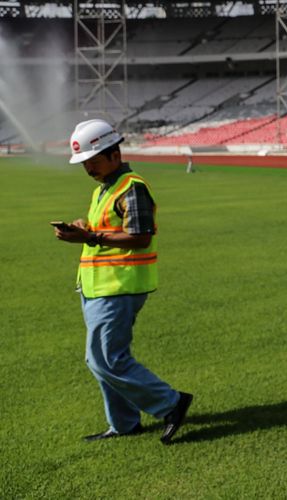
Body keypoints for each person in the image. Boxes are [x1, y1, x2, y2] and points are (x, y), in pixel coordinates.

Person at [53, 119, 193, 445]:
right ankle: (124, 423)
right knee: (101, 359)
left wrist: (90, 236)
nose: (88, 168)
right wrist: (82, 228)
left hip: (119, 285)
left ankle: (172, 403)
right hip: (97, 286)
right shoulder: (104, 187)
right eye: (84, 163)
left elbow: (140, 237)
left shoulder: (131, 187)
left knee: (105, 359)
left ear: (115, 154)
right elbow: (102, 229)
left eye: (93, 160)